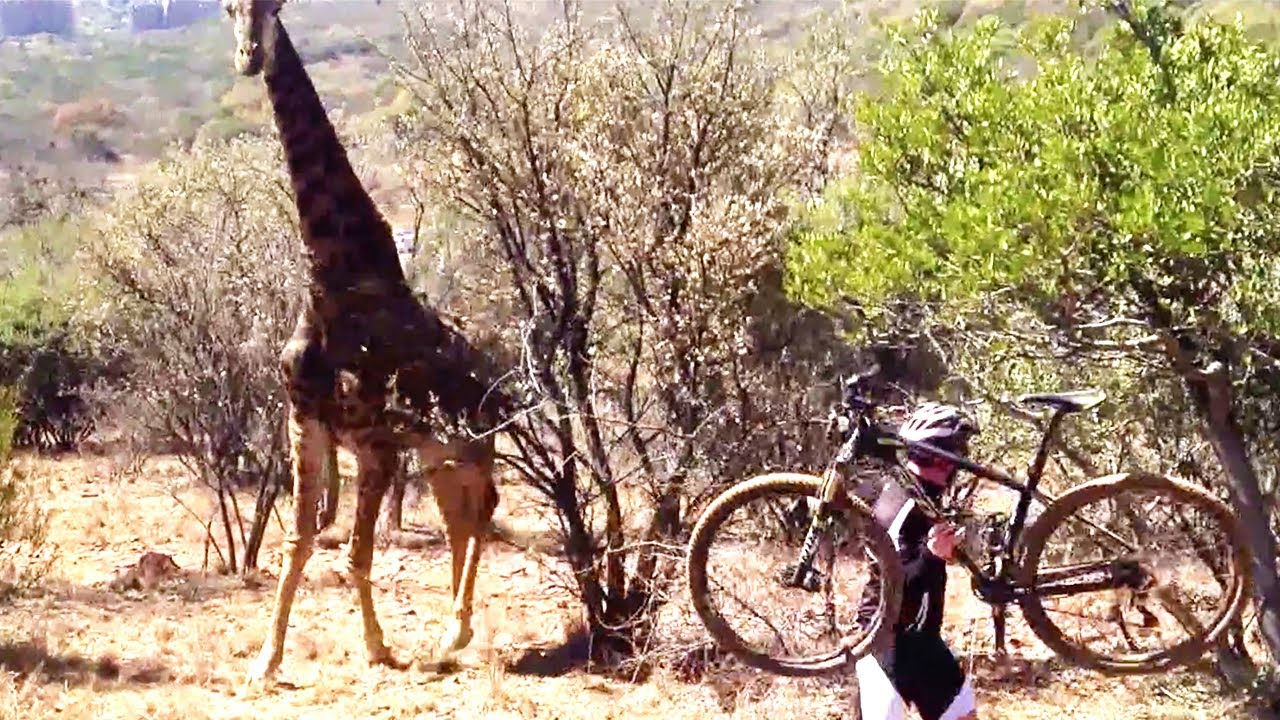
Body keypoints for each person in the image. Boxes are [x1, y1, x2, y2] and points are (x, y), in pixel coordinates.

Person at [854, 401, 980, 720]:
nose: (960, 462)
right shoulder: (902, 505)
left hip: (924, 643)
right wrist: (931, 556)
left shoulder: (923, 495)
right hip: (886, 644)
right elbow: (892, 587)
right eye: (958, 451)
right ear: (942, 458)